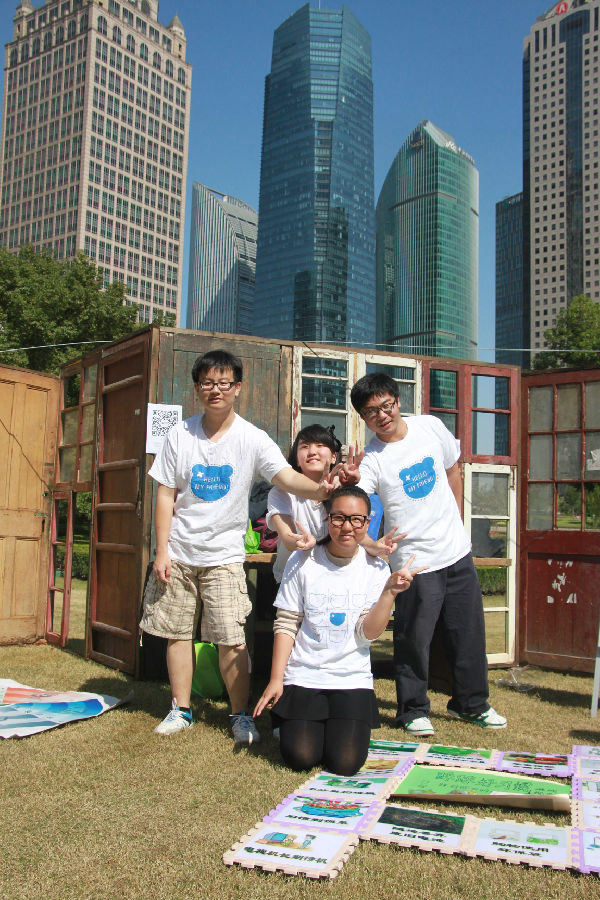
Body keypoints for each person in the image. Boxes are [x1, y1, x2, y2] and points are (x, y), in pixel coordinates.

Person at [140, 349, 336, 744]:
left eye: (223, 383)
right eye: (207, 383)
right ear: (197, 388)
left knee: (231, 637)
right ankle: (181, 709)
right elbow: (164, 495)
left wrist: (320, 490)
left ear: (237, 388)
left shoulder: (252, 437)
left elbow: (284, 477)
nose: (215, 390)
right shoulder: (180, 434)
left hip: (225, 556)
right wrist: (161, 550)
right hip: (179, 551)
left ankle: (240, 714)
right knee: (177, 634)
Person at [343, 372, 506, 737]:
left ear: (398, 401)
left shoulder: (430, 427)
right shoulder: (372, 460)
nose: (382, 416)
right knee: (414, 638)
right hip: (414, 563)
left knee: (468, 633)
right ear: (364, 418)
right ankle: (412, 709)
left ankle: (472, 703)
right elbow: (353, 504)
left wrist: (457, 523)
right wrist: (368, 537)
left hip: (456, 553)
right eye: (371, 412)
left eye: (387, 406)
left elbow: (452, 470)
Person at [254, 485, 424, 775]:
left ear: (367, 523)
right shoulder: (302, 560)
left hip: (351, 679)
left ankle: (323, 723)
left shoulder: (376, 569)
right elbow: (286, 622)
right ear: (328, 518)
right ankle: (293, 720)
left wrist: (389, 594)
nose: (347, 526)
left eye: (357, 519)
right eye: (339, 518)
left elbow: (368, 634)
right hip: (305, 675)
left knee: (345, 763)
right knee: (300, 757)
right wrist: (276, 679)